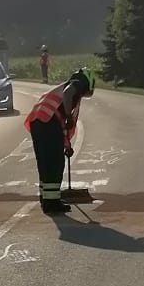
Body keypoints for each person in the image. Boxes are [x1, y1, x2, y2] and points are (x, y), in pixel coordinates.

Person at [25, 67, 94, 213]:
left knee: (45, 162)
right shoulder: (77, 84)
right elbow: (67, 95)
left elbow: (62, 127)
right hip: (47, 120)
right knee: (54, 163)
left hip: (39, 120)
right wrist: (68, 115)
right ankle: (52, 203)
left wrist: (67, 146)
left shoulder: (66, 87)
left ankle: (46, 199)